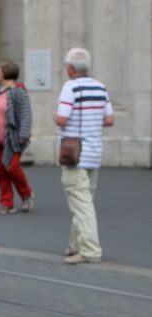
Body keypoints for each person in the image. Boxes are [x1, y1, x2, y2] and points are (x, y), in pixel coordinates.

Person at [53, 48, 114, 264]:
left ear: (70, 68)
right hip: (94, 152)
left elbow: (62, 119)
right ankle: (76, 244)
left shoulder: (70, 87)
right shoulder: (100, 87)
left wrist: (54, 115)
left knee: (81, 204)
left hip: (75, 154)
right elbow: (109, 120)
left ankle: (90, 250)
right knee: (84, 200)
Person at [0, 60, 33, 214]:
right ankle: (6, 202)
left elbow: (26, 114)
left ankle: (26, 194)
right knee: (0, 171)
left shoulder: (19, 92)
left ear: (4, 73)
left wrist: (23, 134)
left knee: (13, 167)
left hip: (12, 139)